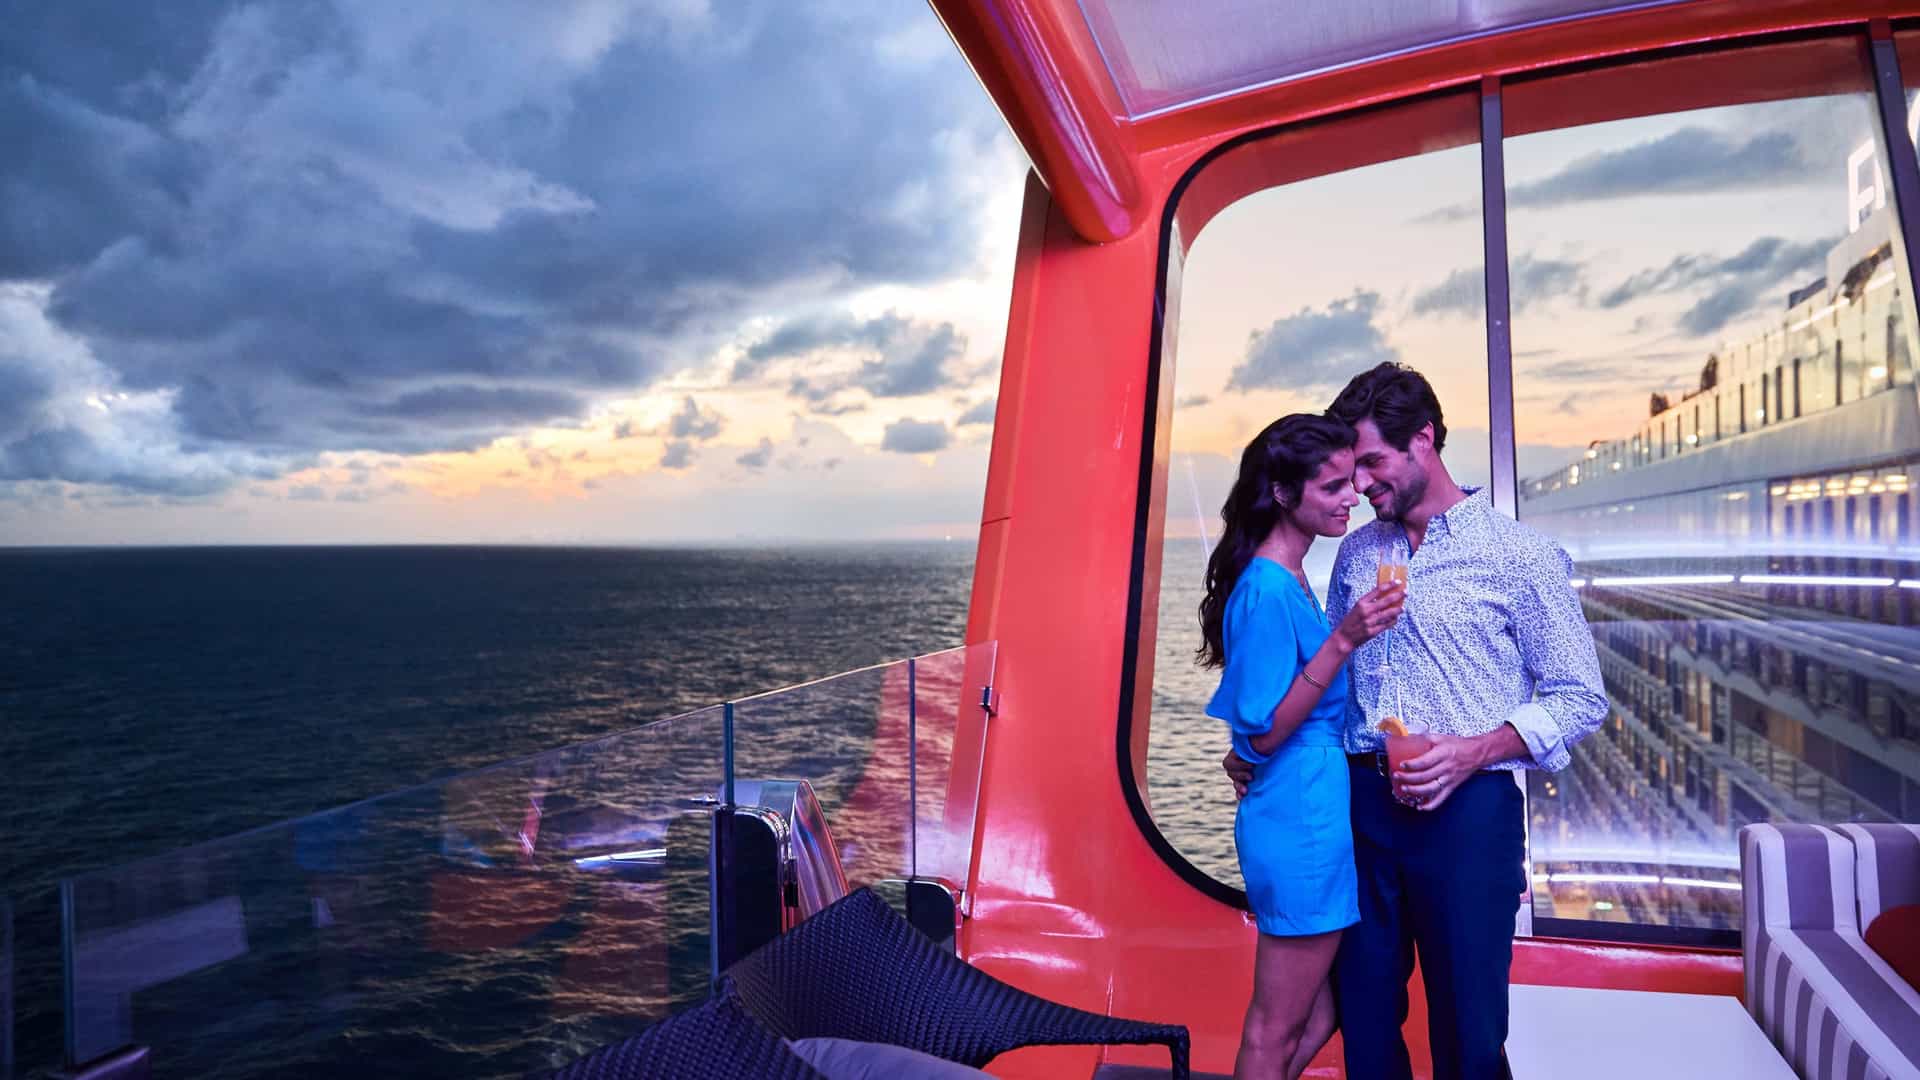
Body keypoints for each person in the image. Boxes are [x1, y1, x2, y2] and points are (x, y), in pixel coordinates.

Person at [1223, 363, 1607, 1080]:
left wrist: (1473, 751)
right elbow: (1328, 677)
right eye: (1348, 470)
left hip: (1470, 817)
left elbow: (1579, 695)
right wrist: (1259, 747)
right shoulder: (1359, 554)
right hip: (1360, 811)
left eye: (1371, 461)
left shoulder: (1519, 555)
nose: (1361, 484)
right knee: (1366, 1029)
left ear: (1423, 441)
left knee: (1469, 1035)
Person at [1200, 413, 1406, 1080]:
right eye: (1332, 487)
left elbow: (1262, 733)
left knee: (1322, 1014)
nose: (1351, 496)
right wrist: (1345, 639)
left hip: (1312, 806)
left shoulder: (1290, 579)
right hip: (1299, 821)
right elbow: (1260, 731)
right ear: (1284, 495)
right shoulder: (1266, 589)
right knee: (1274, 1025)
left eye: (1352, 482)